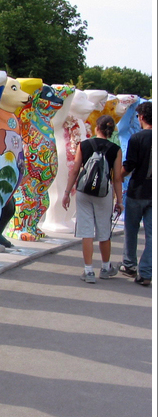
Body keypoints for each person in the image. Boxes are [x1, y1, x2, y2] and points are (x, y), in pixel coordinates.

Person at [62, 114, 123, 283]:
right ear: (111, 131)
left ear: (97, 128)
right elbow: (117, 178)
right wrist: (119, 201)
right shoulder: (116, 150)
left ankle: (88, 271)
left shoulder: (84, 145)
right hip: (104, 193)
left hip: (84, 191)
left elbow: (75, 170)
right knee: (104, 231)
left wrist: (67, 193)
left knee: (86, 232)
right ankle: (105, 268)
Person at [119, 101, 152, 286]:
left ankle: (129, 264)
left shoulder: (137, 138)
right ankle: (146, 272)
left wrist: (117, 177)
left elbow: (129, 165)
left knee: (131, 229)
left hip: (137, 190)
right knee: (152, 235)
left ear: (141, 117)